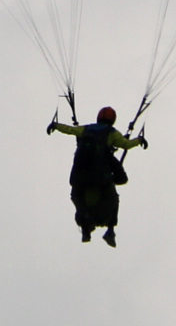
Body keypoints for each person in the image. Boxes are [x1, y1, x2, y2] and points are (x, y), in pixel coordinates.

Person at [47, 104, 147, 246]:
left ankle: (85, 229)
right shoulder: (112, 133)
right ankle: (110, 231)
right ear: (112, 120)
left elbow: (70, 130)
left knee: (76, 196)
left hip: (79, 178)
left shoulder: (86, 129)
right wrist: (140, 140)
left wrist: (55, 125)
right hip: (101, 177)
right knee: (115, 195)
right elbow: (126, 145)